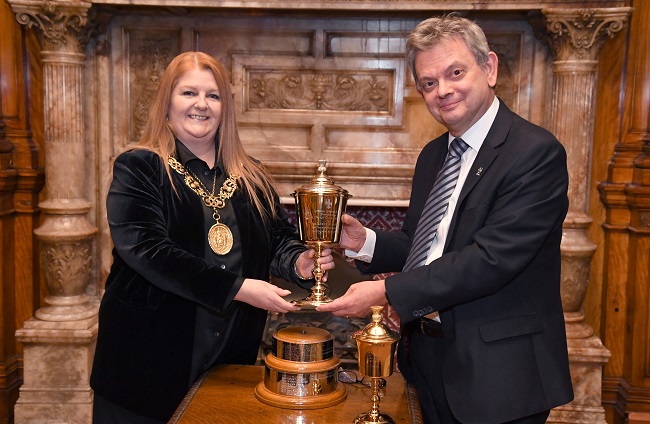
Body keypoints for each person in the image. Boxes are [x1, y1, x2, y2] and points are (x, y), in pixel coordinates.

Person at [317, 14, 574, 424]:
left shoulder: (534, 153)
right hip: (428, 358)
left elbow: (489, 259)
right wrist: (364, 241)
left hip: (499, 373)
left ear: (488, 68)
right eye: (429, 83)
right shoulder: (434, 155)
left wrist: (386, 294)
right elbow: (428, 247)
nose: (444, 91)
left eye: (455, 72)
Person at [90, 51, 333, 423]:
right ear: (167, 103)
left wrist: (299, 261)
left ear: (225, 109)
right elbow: (148, 251)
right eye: (188, 93)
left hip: (228, 355)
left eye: (213, 95)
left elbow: (276, 239)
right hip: (145, 361)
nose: (201, 105)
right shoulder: (138, 166)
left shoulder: (251, 175)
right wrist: (237, 288)